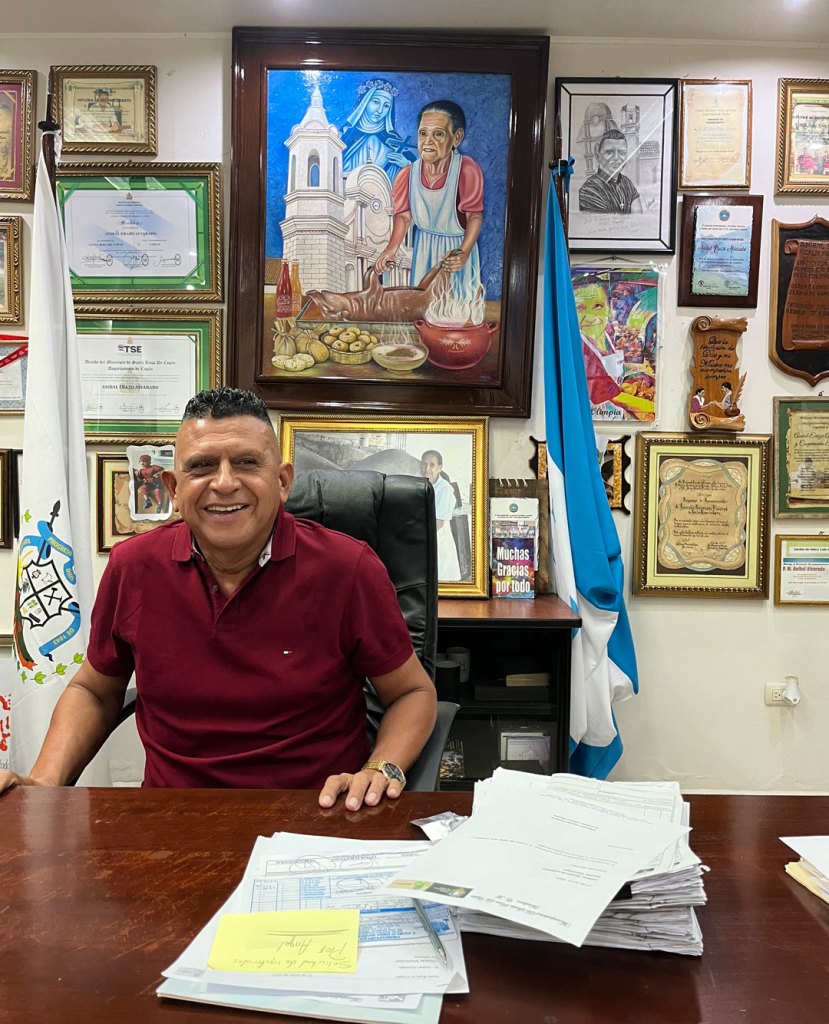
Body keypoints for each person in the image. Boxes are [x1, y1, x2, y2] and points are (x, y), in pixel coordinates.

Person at [0, 388, 436, 810]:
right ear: (173, 488)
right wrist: (43, 783)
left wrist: (382, 767)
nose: (224, 483)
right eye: (202, 466)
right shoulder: (134, 567)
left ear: (282, 481)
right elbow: (95, 691)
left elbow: (412, 693)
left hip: (315, 814)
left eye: (246, 463)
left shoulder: (348, 568)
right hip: (170, 820)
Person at [375, 100, 483, 303]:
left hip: (455, 252)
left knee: (458, 307)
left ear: (456, 138)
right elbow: (404, 217)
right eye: (423, 133)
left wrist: (463, 252)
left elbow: (474, 216)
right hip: (423, 249)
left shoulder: (466, 170)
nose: (428, 141)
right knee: (422, 308)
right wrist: (391, 249)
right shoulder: (407, 175)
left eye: (438, 134)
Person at [573, 276, 652, 418]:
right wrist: (654, 407)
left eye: (598, 306)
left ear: (609, 308)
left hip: (614, 414)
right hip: (593, 418)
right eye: (580, 308)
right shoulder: (580, 350)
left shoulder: (607, 333)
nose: (590, 317)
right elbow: (613, 395)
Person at [340, 79, 417, 183]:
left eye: (386, 106)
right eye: (376, 102)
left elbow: (420, 175)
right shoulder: (345, 135)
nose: (380, 110)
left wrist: (407, 165)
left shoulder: (393, 140)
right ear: (364, 102)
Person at [420, 449, 462, 582]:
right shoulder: (422, 484)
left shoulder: (444, 489)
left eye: (432, 465)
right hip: (426, 540)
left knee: (440, 580)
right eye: (424, 464)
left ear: (440, 467)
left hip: (438, 541)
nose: (427, 468)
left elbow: (438, 523)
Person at [578, 129, 642, 215]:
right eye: (609, 152)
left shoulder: (627, 183)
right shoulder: (590, 190)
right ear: (597, 156)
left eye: (622, 153)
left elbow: (638, 219)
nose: (616, 157)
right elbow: (603, 223)